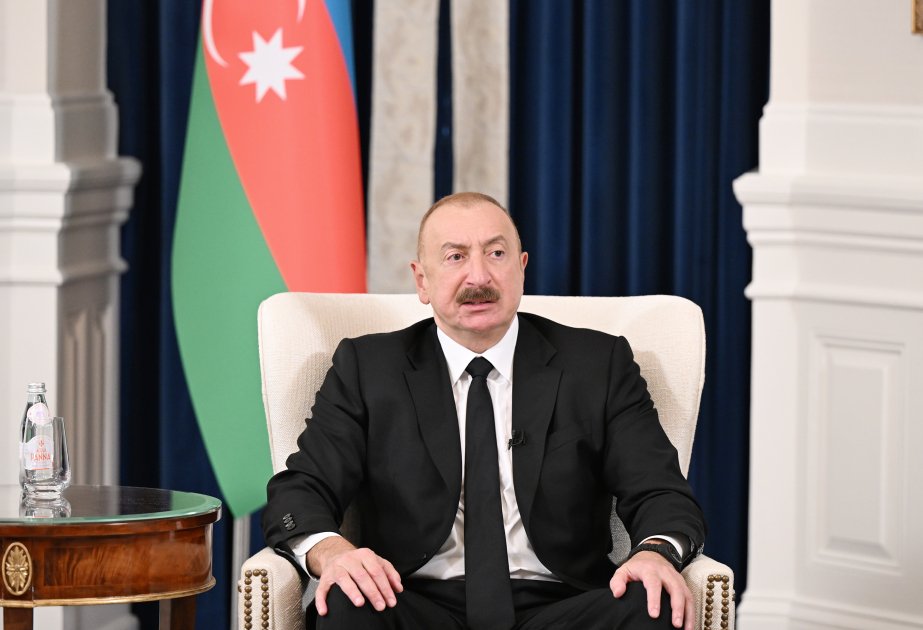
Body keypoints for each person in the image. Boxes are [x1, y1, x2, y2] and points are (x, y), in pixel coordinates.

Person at [263, 192, 706, 630]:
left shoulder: (597, 364)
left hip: (565, 605)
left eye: (496, 253)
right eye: (455, 257)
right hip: (412, 602)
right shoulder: (367, 369)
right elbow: (301, 490)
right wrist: (332, 552)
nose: (479, 276)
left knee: (655, 602)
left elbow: (661, 492)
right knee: (347, 603)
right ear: (422, 280)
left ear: (521, 268)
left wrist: (655, 553)